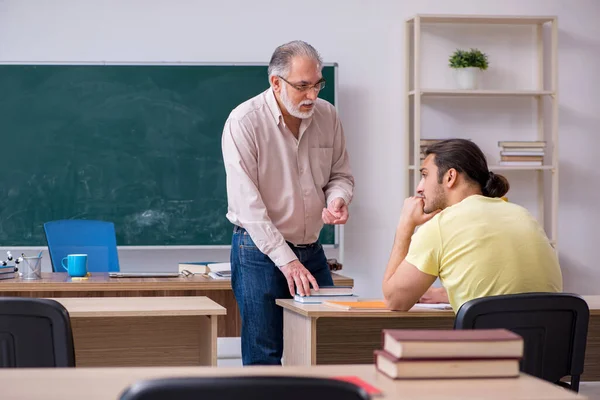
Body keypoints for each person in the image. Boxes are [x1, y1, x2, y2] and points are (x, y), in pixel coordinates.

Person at [221, 40, 354, 365]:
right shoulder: (244, 121)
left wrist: (337, 199)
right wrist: (287, 261)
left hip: (311, 248)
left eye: (318, 84)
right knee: (264, 353)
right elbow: (248, 205)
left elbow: (341, 175)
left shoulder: (327, 115)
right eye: (303, 86)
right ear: (276, 83)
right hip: (258, 251)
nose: (312, 96)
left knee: (324, 346)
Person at [382, 138, 562, 312]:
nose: (419, 188)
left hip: (491, 342)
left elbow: (395, 301)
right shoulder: (523, 214)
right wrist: (446, 294)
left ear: (450, 177)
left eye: (425, 175)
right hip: (549, 341)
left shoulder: (441, 225)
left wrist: (405, 226)